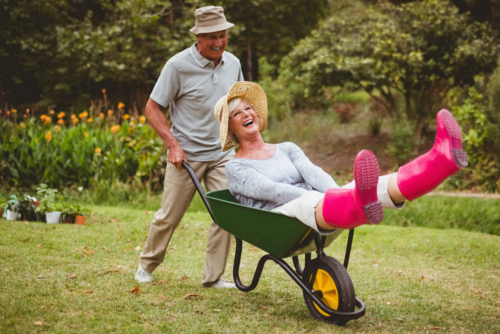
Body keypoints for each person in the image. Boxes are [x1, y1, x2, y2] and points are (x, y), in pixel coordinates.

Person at [213, 82, 468, 233]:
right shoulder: (236, 167)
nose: (247, 113)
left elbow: (313, 173)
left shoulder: (287, 147)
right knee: (316, 200)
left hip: (319, 205)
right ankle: (350, 203)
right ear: (231, 128)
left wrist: (337, 192)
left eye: (249, 108)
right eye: (237, 113)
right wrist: (329, 198)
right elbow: (274, 191)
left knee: (378, 183)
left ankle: (441, 160)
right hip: (281, 217)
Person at [136, 6, 244, 288]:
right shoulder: (178, 65)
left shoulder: (232, 63)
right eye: (212, 38)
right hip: (186, 156)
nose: (219, 42)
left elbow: (239, 105)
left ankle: (213, 277)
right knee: (169, 215)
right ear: (199, 37)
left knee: (226, 215)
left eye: (223, 36)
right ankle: (146, 266)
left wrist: (244, 144)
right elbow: (152, 107)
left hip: (222, 153)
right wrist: (173, 144)